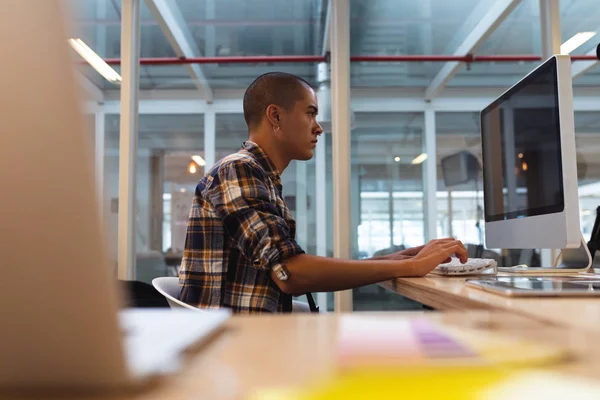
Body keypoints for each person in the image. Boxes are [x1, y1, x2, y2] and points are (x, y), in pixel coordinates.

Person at [178, 72, 467, 313]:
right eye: (311, 113)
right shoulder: (238, 170)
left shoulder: (261, 177)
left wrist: (396, 260)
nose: (318, 128)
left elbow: (286, 266)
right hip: (233, 353)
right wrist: (413, 267)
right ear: (275, 116)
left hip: (252, 342)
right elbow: (290, 273)